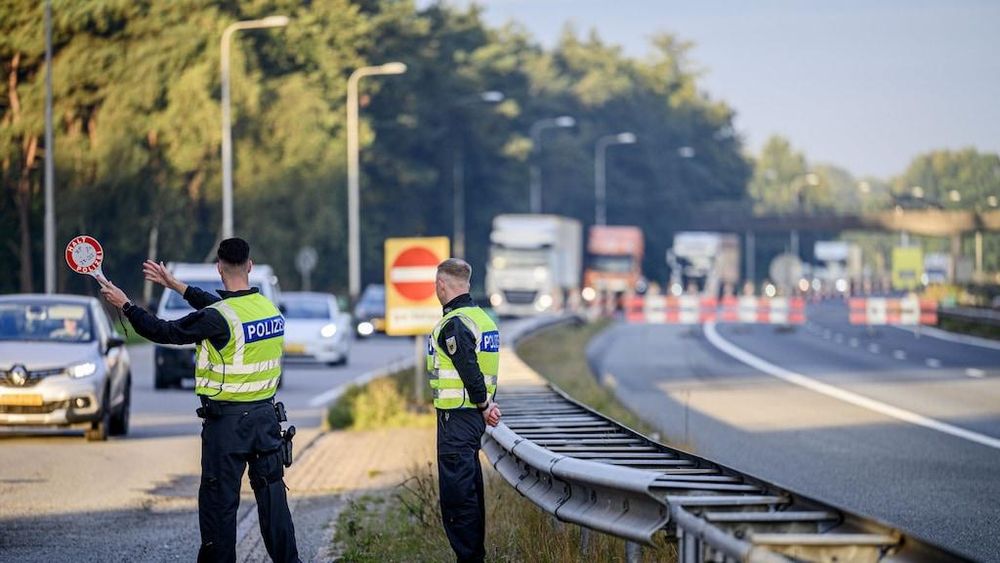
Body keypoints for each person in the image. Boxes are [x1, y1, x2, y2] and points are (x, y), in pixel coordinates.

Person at [99, 238, 300, 563]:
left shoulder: (218, 318)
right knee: (275, 506)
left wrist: (126, 305)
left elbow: (164, 331)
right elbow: (218, 308)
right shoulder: (268, 310)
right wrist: (175, 284)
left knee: (219, 510)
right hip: (266, 422)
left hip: (228, 427)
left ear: (219, 267)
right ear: (249, 266)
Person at [426, 258, 502, 563]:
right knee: (469, 492)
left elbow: (469, 368)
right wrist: (486, 404)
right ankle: (473, 556)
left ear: (441, 285)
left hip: (457, 419)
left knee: (458, 500)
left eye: (436, 284)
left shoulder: (454, 323)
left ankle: (469, 558)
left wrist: (484, 404)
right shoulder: (481, 318)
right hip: (470, 420)